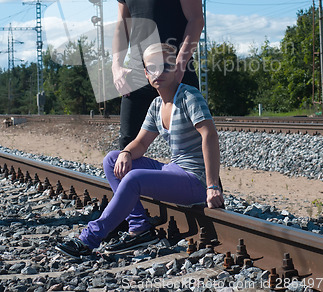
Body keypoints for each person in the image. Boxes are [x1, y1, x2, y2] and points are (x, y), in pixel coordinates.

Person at [56, 43, 224, 258]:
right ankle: (139, 226)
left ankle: (88, 239)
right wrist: (126, 153)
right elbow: (141, 144)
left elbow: (209, 135)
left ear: (176, 69)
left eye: (166, 66)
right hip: (175, 170)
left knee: (134, 178)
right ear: (146, 73)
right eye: (152, 68)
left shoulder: (189, 97)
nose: (158, 72)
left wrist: (212, 186)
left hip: (195, 180)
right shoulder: (156, 105)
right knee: (112, 159)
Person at [112, 0, 204, 149]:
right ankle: (130, 187)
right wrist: (116, 67)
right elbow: (122, 27)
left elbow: (196, 20)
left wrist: (181, 63)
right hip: (138, 73)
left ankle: (210, 187)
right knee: (127, 143)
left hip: (176, 71)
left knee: (192, 143)